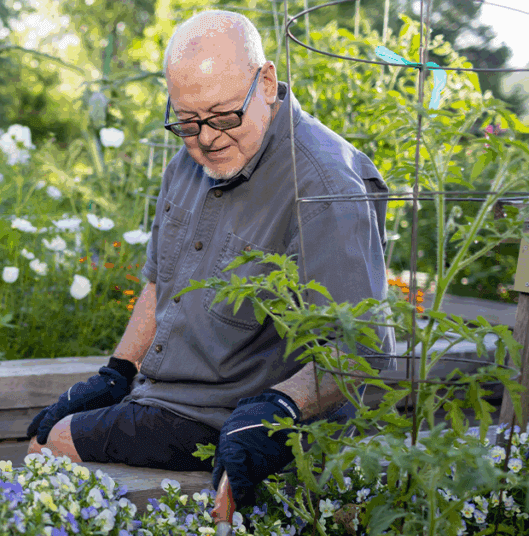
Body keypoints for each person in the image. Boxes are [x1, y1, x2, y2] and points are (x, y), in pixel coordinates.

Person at [26, 10, 394, 509]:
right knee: (46, 432)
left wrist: (279, 407)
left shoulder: (325, 187)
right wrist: (115, 373)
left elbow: (364, 353)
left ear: (265, 82)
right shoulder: (189, 160)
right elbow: (160, 286)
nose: (206, 138)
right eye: (187, 120)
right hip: (164, 397)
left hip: (234, 416)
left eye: (223, 117)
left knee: (61, 441)